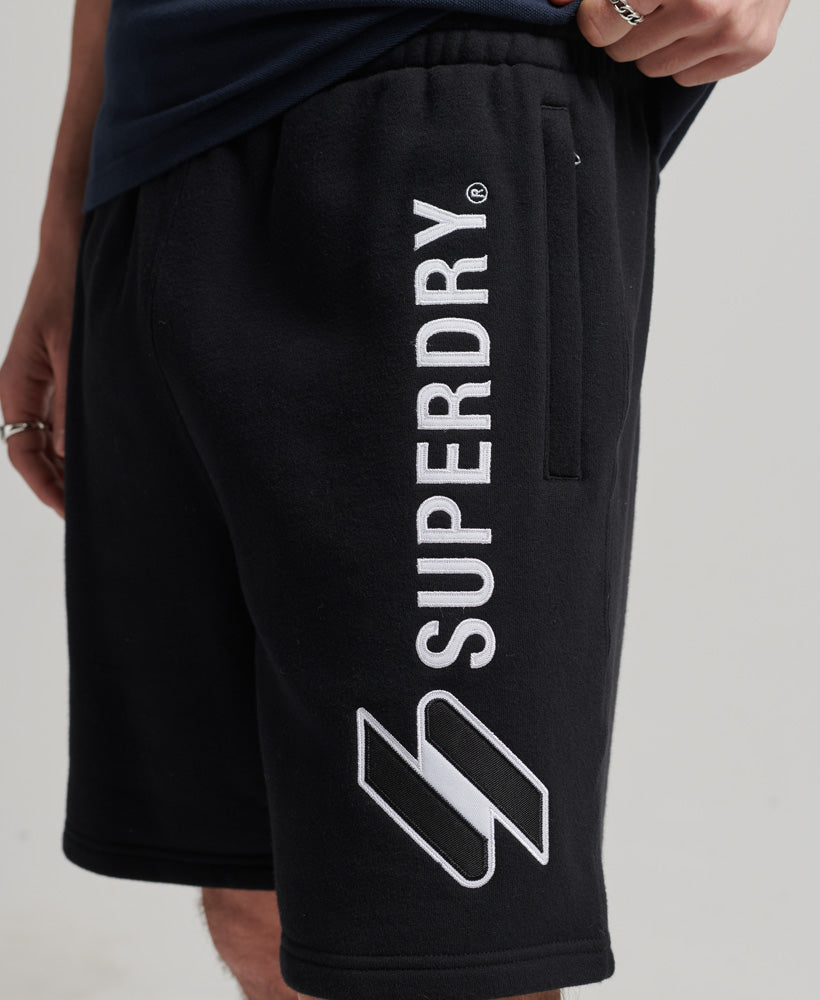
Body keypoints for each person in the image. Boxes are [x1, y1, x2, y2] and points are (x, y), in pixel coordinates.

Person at [0, 1, 790, 998]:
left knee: (445, 937)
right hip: (159, 145)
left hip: (437, 103)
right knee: (257, 900)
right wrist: (69, 217)